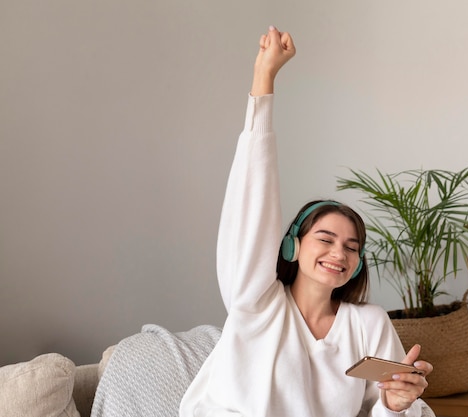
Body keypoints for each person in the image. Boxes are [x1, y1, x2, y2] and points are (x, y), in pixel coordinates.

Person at [179, 26, 434, 417]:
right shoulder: (257, 303)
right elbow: (252, 206)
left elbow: (381, 412)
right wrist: (264, 80)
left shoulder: (368, 323)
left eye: (352, 247)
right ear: (292, 246)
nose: (340, 253)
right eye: (326, 239)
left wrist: (397, 404)